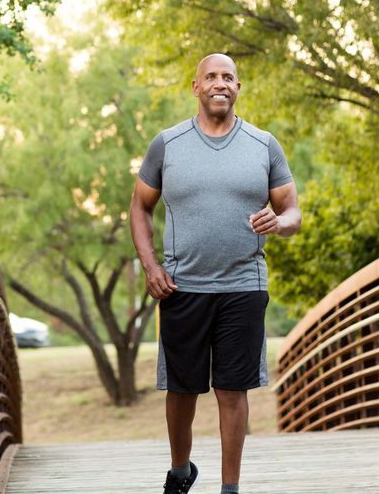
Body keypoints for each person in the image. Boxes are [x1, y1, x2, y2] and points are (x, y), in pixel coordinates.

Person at [129, 53, 301, 494]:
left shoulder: (264, 145)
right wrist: (151, 266)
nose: (219, 84)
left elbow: (293, 212)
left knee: (232, 390)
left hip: (244, 285)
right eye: (211, 77)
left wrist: (278, 223)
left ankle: (230, 489)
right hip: (182, 286)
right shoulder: (167, 144)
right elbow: (140, 207)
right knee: (182, 392)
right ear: (196, 86)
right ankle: (181, 470)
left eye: (228, 77)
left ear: (238, 87)